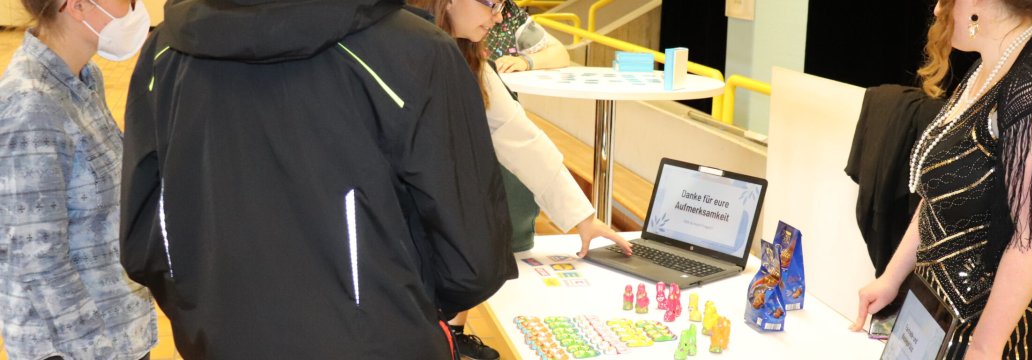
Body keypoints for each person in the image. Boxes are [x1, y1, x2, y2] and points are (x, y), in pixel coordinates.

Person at [119, 0, 516, 358]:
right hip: (383, 339)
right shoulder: (416, 52)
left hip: (219, 339)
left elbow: (144, 235)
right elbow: (471, 258)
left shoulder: (163, 53)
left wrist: (204, 308)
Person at [851, 0, 1032, 358]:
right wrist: (892, 277)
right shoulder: (989, 69)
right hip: (945, 305)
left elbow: (1031, 239)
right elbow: (942, 193)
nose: (937, 11)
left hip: (1009, 324)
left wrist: (985, 346)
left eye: (945, 0)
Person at [409, 0, 632, 358]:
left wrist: (583, 218)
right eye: (491, 5)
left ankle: (450, 332)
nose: (499, 18)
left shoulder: (468, 57)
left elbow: (520, 137)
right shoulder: (403, 45)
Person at [0, 0, 157, 359]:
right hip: (74, 349)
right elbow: (39, 260)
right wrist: (99, 352)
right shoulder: (30, 105)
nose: (134, 6)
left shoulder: (84, 80)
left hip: (116, 334)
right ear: (79, 6)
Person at [487, 0, 570, 73]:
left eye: (499, 6)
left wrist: (525, 61)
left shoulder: (510, 12)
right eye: (494, 6)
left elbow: (560, 53)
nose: (499, 18)